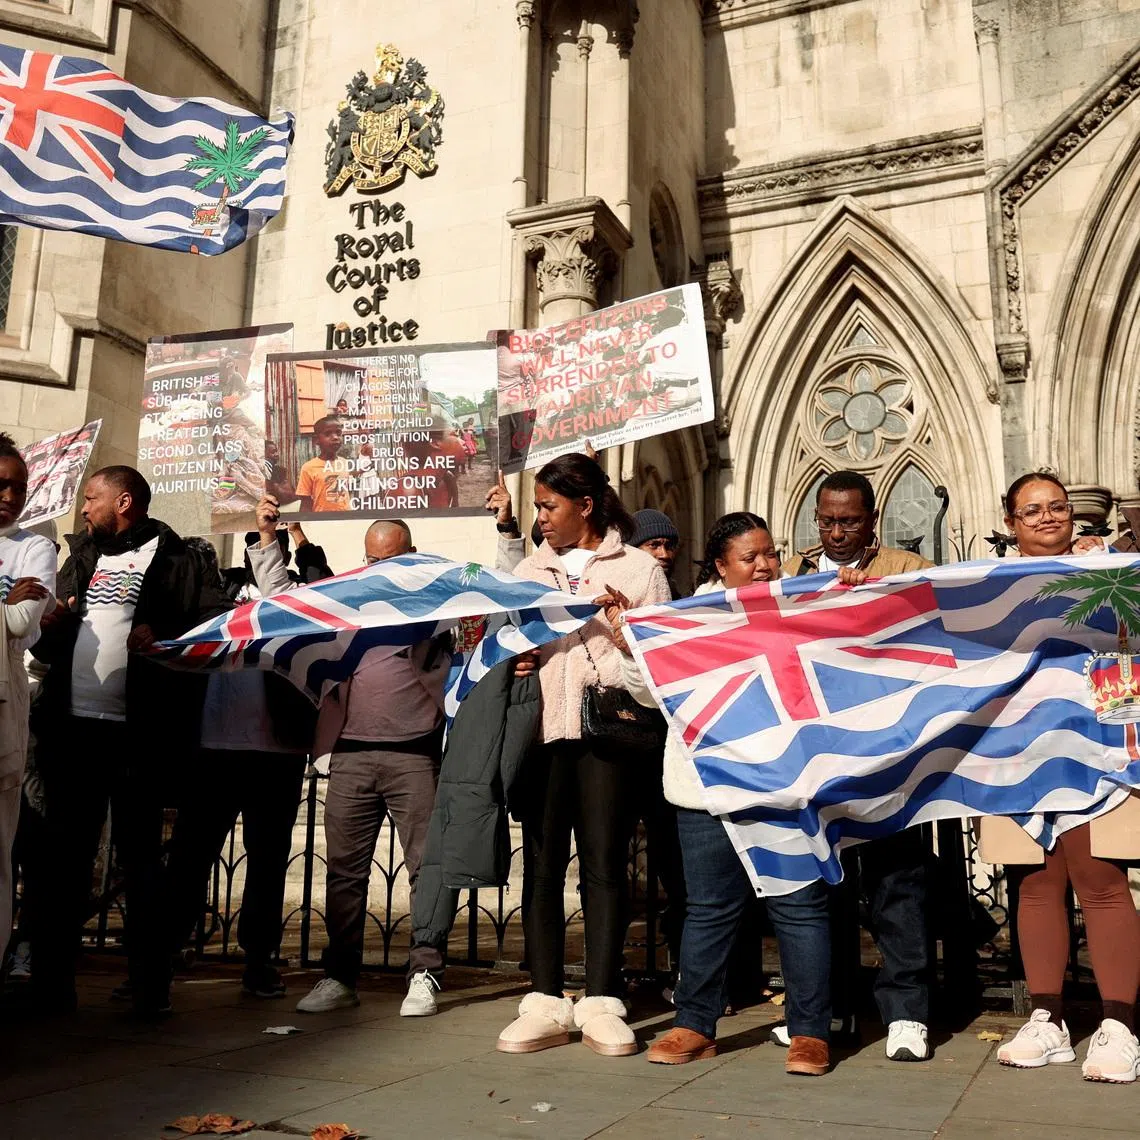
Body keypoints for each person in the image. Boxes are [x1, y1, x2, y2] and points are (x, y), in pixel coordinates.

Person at [605, 512, 833, 1075]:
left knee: (799, 909)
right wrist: (636, 650)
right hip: (706, 789)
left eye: (771, 553)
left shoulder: (797, 607)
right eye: (750, 557)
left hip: (783, 786)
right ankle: (693, 1025)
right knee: (708, 911)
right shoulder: (686, 620)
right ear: (720, 565)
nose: (765, 565)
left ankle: (809, 1034)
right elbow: (655, 698)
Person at [29, 466, 230, 1014]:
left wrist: (165, 637)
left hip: (140, 737)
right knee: (65, 859)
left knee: (140, 863)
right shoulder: (81, 558)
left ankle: (149, 984)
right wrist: (50, 626)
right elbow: (47, 648)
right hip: (74, 732)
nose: (83, 509)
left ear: (123, 501)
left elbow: (215, 632)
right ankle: (51, 983)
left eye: (91, 499)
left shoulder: (181, 559)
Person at [496, 453, 671, 1058]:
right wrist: (515, 658)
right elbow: (505, 637)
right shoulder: (527, 569)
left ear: (585, 507)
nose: (540, 518)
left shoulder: (641, 569)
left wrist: (623, 633)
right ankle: (544, 999)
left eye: (549, 506)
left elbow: (659, 669)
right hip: (542, 731)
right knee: (542, 868)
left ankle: (601, 999)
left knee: (604, 863)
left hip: (609, 737)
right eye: (539, 507)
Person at [247, 496, 450, 1018]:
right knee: (344, 873)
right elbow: (287, 603)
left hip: (415, 756)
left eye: (390, 560)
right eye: (372, 560)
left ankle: (425, 971)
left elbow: (493, 589)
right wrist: (270, 541)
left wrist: (507, 530)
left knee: (426, 869)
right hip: (352, 755)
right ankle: (339, 975)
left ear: (412, 556)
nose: (379, 570)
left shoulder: (437, 603)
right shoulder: (348, 603)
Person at [982, 472, 1140, 1082]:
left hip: (1099, 745)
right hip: (1017, 747)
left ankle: (1120, 1025)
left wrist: (1123, 740)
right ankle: (1047, 1019)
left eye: (1057, 507)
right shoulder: (985, 582)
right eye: (1032, 510)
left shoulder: (1113, 568)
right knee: (1035, 885)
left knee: (1101, 880)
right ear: (1011, 522)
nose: (1047, 517)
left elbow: (1130, 644)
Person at [784, 470, 933, 1062]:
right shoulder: (794, 573)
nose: (837, 533)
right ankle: (834, 1007)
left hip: (891, 755)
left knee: (898, 884)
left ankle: (907, 1012)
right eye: (826, 521)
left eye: (848, 521)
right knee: (830, 888)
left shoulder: (904, 564)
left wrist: (864, 596)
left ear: (872, 519)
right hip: (819, 757)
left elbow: (921, 633)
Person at [160, 530, 330, 999]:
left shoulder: (297, 601)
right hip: (214, 749)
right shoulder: (213, 601)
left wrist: (286, 541)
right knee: (190, 856)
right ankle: (164, 953)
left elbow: (302, 598)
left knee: (268, 861)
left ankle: (259, 960)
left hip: (276, 752)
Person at [0, 434, 56, 970]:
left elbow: (21, 622)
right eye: (0, 484)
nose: (10, 495)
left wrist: (9, 611)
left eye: (19, 486)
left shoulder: (34, 547)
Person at [296, 416, 351, 513]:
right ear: (316, 440)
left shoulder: (344, 462)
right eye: (328, 434)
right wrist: (302, 525)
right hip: (321, 522)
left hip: (345, 520)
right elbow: (306, 503)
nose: (335, 437)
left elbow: (345, 495)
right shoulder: (308, 468)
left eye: (338, 433)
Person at [628, 509, 681, 599]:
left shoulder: (679, 601)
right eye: (654, 545)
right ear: (633, 550)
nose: (665, 555)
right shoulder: (614, 599)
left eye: (669, 546)